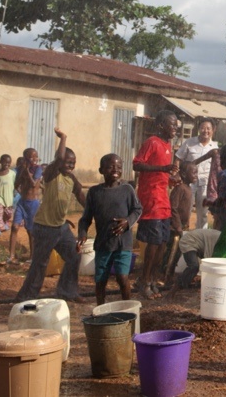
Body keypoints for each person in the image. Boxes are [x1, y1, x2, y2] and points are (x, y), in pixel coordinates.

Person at [16, 128, 86, 303]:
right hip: (45, 227)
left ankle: (67, 291)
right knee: (40, 263)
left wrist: (95, 213)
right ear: (59, 162)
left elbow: (81, 196)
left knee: (74, 256)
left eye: (73, 163)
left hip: (61, 227)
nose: (70, 165)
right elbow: (60, 159)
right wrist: (63, 137)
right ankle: (28, 297)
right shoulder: (51, 174)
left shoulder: (71, 179)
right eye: (68, 162)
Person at [77, 154, 143, 305]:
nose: (115, 169)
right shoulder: (94, 192)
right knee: (100, 281)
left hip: (123, 244)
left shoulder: (127, 189)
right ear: (101, 170)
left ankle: (128, 307)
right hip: (103, 244)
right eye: (110, 166)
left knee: (122, 277)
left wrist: (128, 221)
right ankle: (100, 309)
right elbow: (86, 218)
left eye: (119, 167)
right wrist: (82, 234)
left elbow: (137, 209)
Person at [133, 110, 180, 300]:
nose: (175, 128)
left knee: (162, 241)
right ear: (161, 125)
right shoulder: (152, 142)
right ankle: (144, 281)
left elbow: (161, 173)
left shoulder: (168, 145)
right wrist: (163, 169)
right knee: (153, 242)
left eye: (177, 125)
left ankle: (151, 279)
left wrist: (171, 178)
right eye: (172, 125)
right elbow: (137, 165)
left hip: (163, 198)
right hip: (151, 198)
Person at [176, 117, 219, 229]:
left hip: (205, 183)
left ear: (213, 130)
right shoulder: (189, 143)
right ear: (199, 129)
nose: (206, 131)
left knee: (203, 212)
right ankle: (182, 234)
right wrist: (176, 173)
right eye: (203, 128)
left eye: (208, 128)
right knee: (186, 209)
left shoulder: (215, 147)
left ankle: (200, 237)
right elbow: (178, 158)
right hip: (189, 182)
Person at [10, 147, 42, 262]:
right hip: (22, 202)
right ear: (26, 158)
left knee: (30, 230)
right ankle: (11, 256)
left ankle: (32, 256)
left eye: (35, 156)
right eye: (31, 156)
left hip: (33, 203)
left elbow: (33, 184)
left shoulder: (38, 169)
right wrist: (23, 171)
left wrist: (27, 171)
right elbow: (16, 184)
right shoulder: (20, 169)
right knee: (14, 227)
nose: (34, 158)